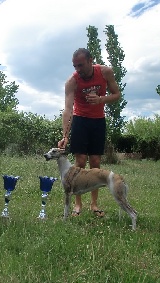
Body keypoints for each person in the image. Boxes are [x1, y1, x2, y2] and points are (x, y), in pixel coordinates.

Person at [58, 48, 120, 217]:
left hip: (98, 120)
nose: (78, 69)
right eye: (75, 66)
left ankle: (94, 204)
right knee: (80, 160)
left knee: (95, 161)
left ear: (91, 60)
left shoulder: (105, 72)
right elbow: (68, 110)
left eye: (81, 65)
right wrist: (65, 135)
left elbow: (117, 95)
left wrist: (101, 99)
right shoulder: (73, 81)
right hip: (80, 120)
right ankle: (78, 205)